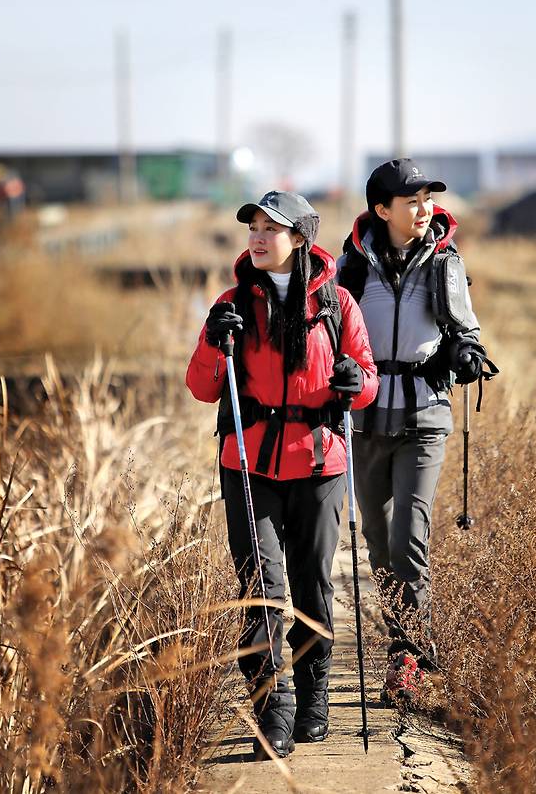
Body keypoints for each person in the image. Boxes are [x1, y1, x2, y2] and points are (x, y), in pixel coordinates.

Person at [186, 190, 378, 759]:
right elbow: (201, 388)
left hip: (319, 461)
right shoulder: (230, 305)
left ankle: (314, 694)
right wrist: (211, 337)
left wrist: (352, 381)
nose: (258, 238)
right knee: (260, 591)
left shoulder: (339, 304)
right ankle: (274, 707)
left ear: (301, 238)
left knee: (314, 586)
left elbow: (366, 378)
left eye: (272, 228)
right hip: (248, 467)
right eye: (253, 228)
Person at [337, 159, 494, 704]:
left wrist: (467, 351)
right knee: (379, 545)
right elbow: (332, 333)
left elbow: (464, 328)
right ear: (382, 210)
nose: (425, 210)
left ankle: (411, 659)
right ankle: (400, 640)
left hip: (426, 414)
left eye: (428, 199)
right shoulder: (351, 268)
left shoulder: (446, 263)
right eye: (412, 201)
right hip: (365, 419)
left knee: (409, 539)